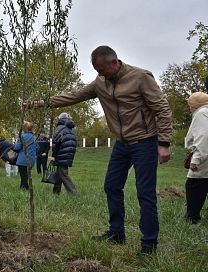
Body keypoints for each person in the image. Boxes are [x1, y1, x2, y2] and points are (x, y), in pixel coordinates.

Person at [26, 45, 172, 255]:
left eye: (102, 69)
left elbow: (162, 108)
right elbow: (74, 96)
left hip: (145, 142)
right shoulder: (100, 82)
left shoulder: (140, 77)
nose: (99, 74)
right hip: (121, 144)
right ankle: (117, 233)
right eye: (96, 70)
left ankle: (149, 245)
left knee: (145, 193)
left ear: (115, 62)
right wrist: (38, 104)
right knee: (111, 186)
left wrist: (164, 143)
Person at [184, 91, 208, 224]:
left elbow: (203, 136)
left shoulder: (201, 113)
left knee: (194, 184)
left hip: (205, 157)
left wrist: (196, 158)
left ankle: (193, 218)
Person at [51, 113, 77, 196]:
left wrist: (54, 155)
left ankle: (74, 194)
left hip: (61, 153)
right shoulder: (70, 129)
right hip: (68, 153)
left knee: (63, 174)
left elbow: (56, 143)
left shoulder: (59, 128)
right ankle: (56, 192)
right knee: (59, 173)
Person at [13, 121, 37, 190]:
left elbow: (17, 147)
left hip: (23, 159)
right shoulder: (34, 137)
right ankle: (24, 187)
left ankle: (24, 188)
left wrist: (14, 145)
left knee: (23, 175)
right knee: (27, 175)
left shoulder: (22, 136)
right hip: (31, 159)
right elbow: (37, 148)